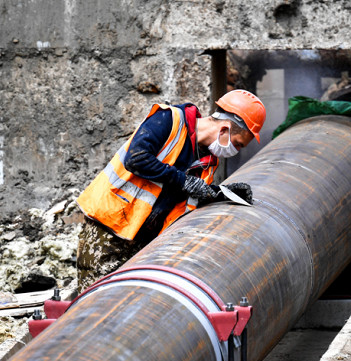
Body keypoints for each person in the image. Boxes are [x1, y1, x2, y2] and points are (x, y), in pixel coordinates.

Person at [75, 89, 266, 291]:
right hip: (108, 233)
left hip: (144, 245)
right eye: (237, 143)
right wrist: (184, 181)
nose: (234, 150)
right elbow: (137, 159)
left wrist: (221, 193)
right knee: (93, 305)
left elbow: (189, 197)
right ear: (224, 129)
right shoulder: (168, 120)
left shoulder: (206, 160)